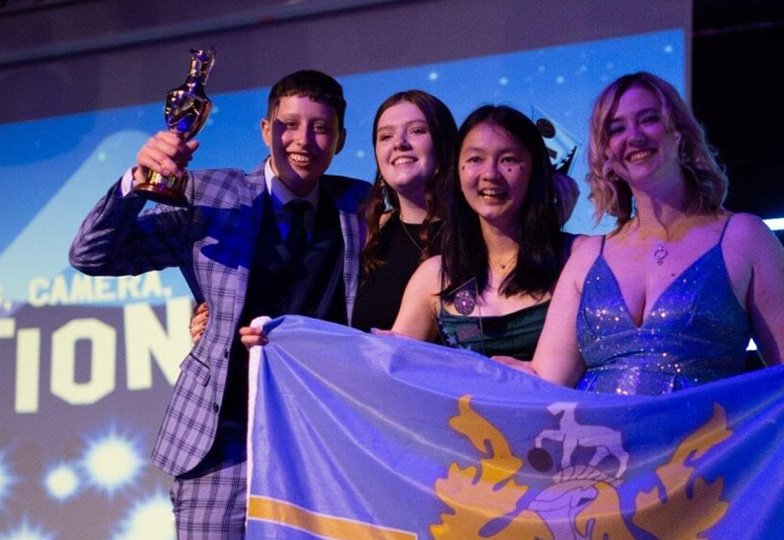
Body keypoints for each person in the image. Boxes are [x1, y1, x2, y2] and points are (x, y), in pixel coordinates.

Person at [69, 70, 368, 537]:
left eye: (320, 127)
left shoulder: (362, 207)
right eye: (288, 125)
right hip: (222, 444)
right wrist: (136, 180)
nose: (303, 140)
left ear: (341, 139)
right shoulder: (212, 197)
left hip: (321, 444)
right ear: (266, 130)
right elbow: (92, 254)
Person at [508, 71, 784, 393]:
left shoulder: (743, 237)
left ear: (679, 133)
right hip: (597, 459)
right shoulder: (587, 256)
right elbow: (546, 381)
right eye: (616, 129)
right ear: (606, 155)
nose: (633, 136)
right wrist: (476, 375)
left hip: (701, 459)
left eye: (648, 120)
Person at [385, 105, 580, 359]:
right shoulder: (435, 276)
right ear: (457, 172)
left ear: (535, 170)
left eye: (508, 159)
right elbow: (394, 371)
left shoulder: (577, 258)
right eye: (475, 159)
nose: (490, 174)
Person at [351, 90, 457, 331]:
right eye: (386, 136)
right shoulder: (368, 237)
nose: (399, 143)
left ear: (444, 144)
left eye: (417, 131)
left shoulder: (483, 231)